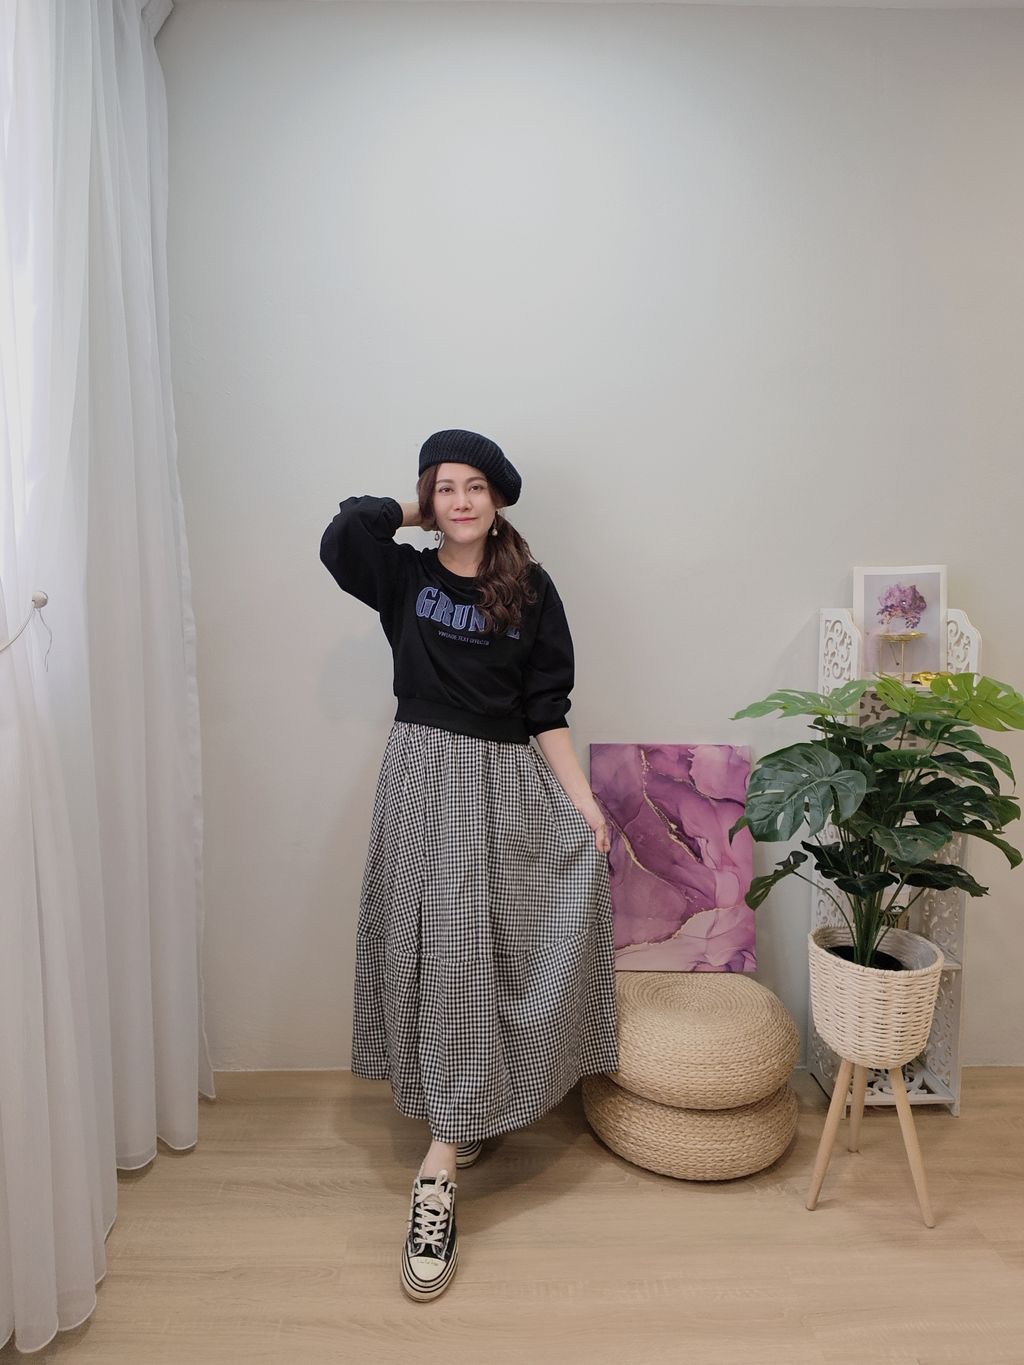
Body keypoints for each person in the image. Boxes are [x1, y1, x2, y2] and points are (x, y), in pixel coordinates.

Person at [319, 428, 618, 1302]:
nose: (459, 500)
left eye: (474, 487)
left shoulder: (531, 587)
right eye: (444, 487)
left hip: (504, 779)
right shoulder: (404, 576)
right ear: (427, 498)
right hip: (420, 775)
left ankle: (453, 1132)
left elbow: (545, 708)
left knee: (491, 951)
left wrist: (585, 804)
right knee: (438, 953)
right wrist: (413, 511)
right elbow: (342, 535)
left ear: (498, 499)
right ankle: (447, 1146)